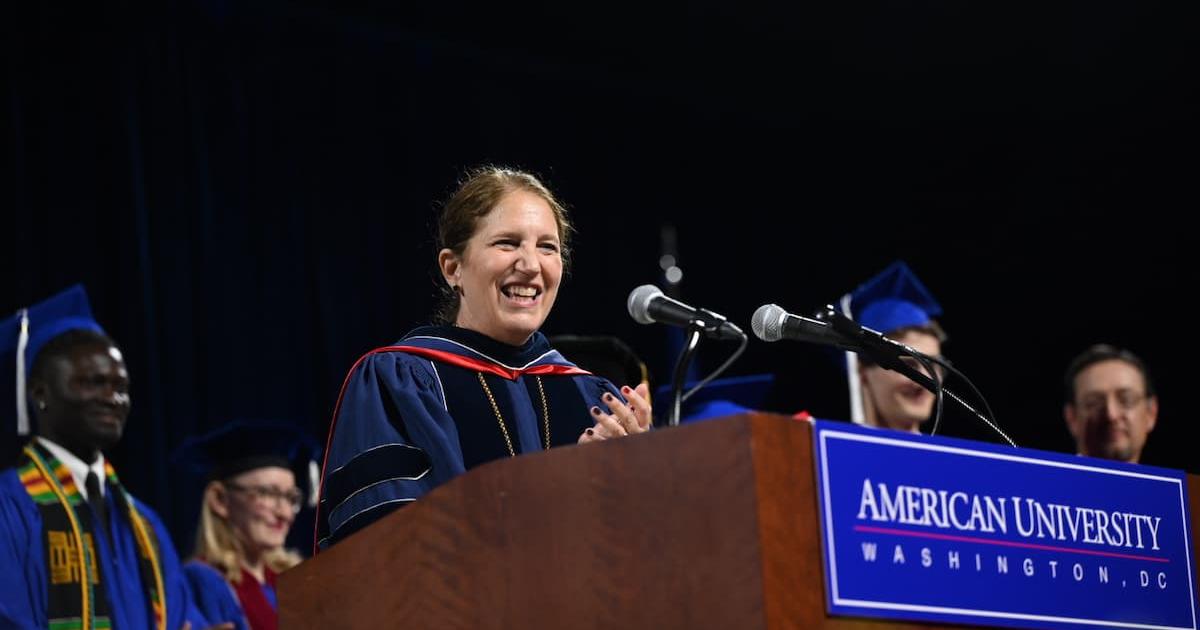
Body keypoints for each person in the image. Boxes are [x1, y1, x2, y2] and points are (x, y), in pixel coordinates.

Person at [315, 167, 652, 550]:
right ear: (452, 268)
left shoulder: (591, 395)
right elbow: (391, 547)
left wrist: (638, 482)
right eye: (507, 243)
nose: (530, 264)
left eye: (548, 247)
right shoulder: (400, 383)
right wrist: (566, 491)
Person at [0, 285, 205, 629]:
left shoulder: (145, 525)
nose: (114, 398)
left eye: (122, 387)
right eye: (93, 382)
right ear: (39, 392)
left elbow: (182, 618)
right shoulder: (8, 507)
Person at [175, 421, 320, 630]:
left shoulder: (294, 578)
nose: (284, 513)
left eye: (290, 498)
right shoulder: (204, 581)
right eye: (267, 493)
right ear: (220, 500)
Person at [837, 261, 947, 433]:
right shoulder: (834, 455)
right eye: (909, 365)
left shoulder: (952, 458)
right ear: (862, 373)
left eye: (933, 366)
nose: (926, 380)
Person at [1062, 344, 1158, 464]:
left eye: (1126, 400)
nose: (1111, 414)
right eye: (1094, 403)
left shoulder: (1181, 482)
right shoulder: (1044, 481)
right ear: (1071, 417)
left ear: (1151, 413)